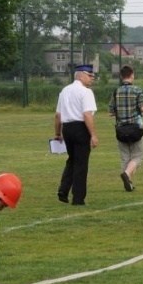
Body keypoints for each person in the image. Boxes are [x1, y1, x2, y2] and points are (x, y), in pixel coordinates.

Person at [54, 64, 99, 205]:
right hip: (80, 128)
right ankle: (78, 198)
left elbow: (58, 115)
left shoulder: (64, 91)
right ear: (80, 76)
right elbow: (87, 114)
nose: (92, 78)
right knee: (81, 163)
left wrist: (57, 133)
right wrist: (93, 135)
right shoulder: (86, 92)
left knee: (72, 160)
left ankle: (63, 189)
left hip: (67, 128)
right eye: (89, 75)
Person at [108, 64, 143, 192]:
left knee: (125, 157)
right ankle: (126, 174)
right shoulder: (137, 90)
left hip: (121, 129)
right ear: (132, 75)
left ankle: (128, 184)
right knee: (138, 155)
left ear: (121, 76)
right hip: (135, 128)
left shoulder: (116, 92)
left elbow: (110, 112)